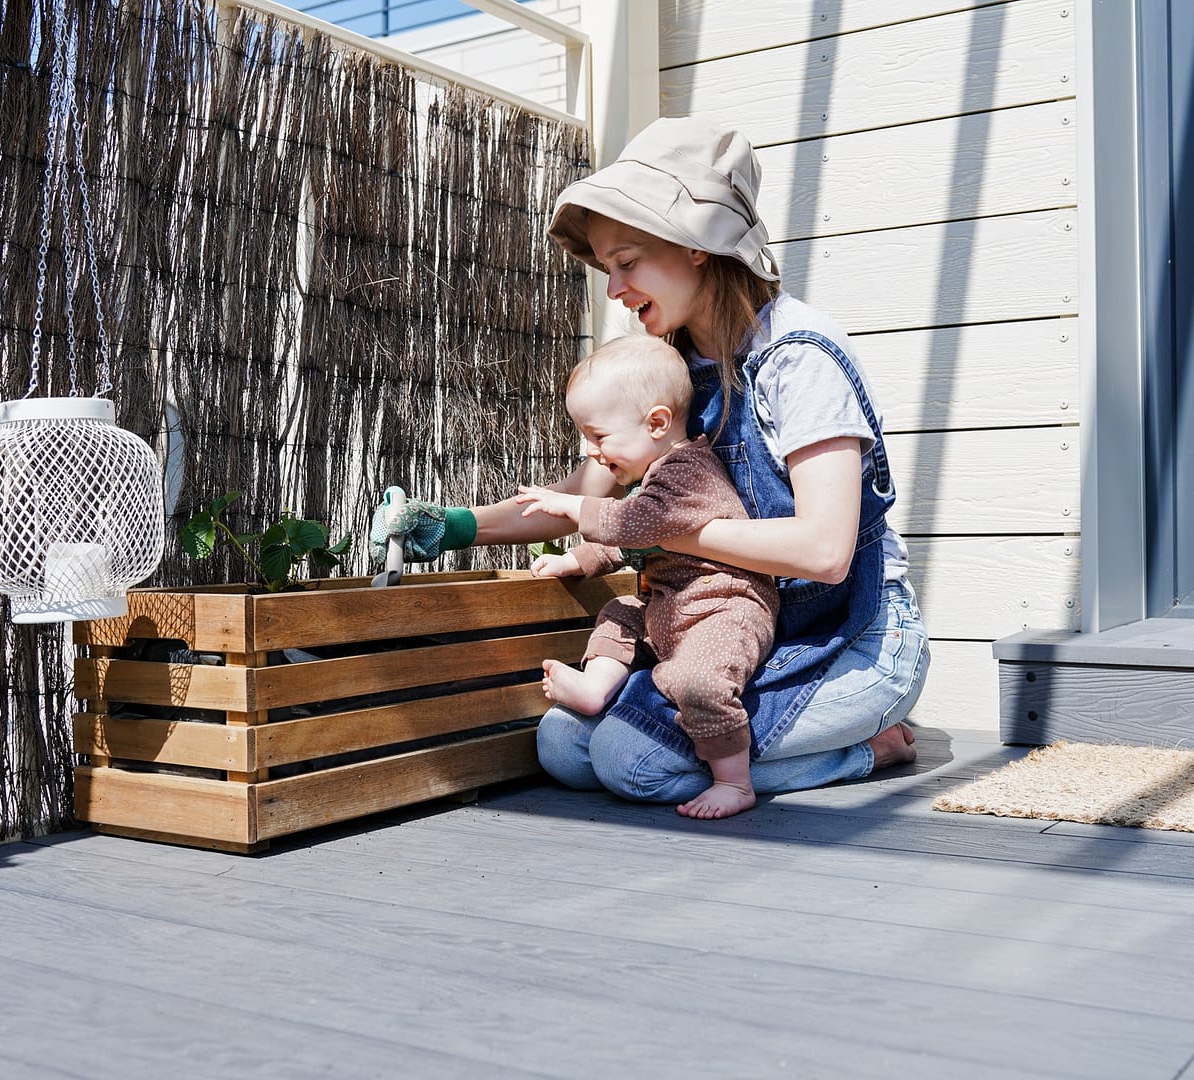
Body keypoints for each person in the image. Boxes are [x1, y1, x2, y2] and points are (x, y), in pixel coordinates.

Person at [371, 115, 929, 808]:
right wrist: (454, 525)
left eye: (627, 262)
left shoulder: (799, 359)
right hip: (726, 635)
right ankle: (786, 748)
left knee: (632, 763)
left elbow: (822, 552)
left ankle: (867, 745)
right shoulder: (677, 370)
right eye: (608, 268)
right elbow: (587, 492)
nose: (613, 289)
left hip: (849, 638)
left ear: (696, 247)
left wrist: (646, 526)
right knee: (564, 747)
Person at [514, 334, 778, 819]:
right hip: (672, 605)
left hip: (724, 608)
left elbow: (632, 524)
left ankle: (735, 782)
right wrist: (574, 562)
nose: (590, 450)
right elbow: (630, 534)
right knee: (619, 612)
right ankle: (596, 688)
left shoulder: (686, 472)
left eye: (598, 435)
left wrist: (574, 507)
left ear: (656, 423)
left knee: (698, 680)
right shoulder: (654, 479)